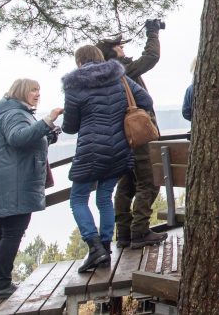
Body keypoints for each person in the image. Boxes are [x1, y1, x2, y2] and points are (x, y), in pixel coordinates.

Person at [62, 45, 153, 272]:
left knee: (78, 199)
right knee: (104, 197)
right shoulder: (119, 77)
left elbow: (70, 128)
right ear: (101, 58)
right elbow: (146, 101)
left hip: (91, 151)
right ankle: (105, 247)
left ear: (79, 63)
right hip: (120, 150)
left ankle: (94, 248)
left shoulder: (74, 86)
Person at [0, 79, 62, 300]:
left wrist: (47, 133)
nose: (37, 94)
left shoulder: (12, 113)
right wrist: (47, 121)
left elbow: (25, 141)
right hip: (14, 186)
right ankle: (0, 285)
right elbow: (18, 139)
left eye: (39, 90)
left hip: (5, 184)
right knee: (12, 233)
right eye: (33, 90)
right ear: (21, 92)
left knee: (0, 234)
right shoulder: (15, 114)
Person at [97, 20, 166, 250]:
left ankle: (124, 233)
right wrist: (152, 32)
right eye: (120, 47)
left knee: (127, 183)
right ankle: (140, 231)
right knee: (149, 181)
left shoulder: (103, 76)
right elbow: (151, 57)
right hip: (138, 136)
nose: (124, 50)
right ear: (112, 53)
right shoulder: (120, 69)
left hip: (121, 137)